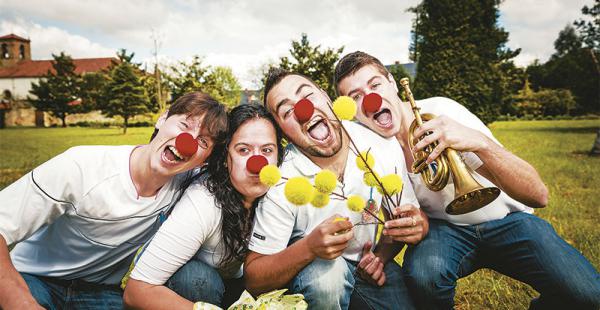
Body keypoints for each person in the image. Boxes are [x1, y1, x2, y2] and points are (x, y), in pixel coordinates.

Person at [334, 51, 600, 309]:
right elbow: (405, 220)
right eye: (355, 96)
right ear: (350, 110)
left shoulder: (441, 111)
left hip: (509, 222)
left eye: (375, 84)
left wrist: (479, 142)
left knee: (589, 296)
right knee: (424, 275)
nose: (369, 99)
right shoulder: (374, 149)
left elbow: (539, 195)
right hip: (446, 230)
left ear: (392, 82)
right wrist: (381, 255)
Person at [0, 92, 227, 309]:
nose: (187, 141)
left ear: (204, 161)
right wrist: (23, 304)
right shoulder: (79, 166)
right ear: (162, 119)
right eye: (184, 125)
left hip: (102, 291)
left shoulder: (190, 185)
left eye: (204, 142)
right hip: (36, 278)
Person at [244, 68, 427, 310]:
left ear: (326, 97)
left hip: (368, 267)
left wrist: (385, 252)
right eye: (287, 111)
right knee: (327, 280)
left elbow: (409, 216)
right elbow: (254, 277)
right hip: (314, 274)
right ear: (281, 131)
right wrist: (308, 248)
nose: (303, 110)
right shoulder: (280, 182)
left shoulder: (380, 145)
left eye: (307, 96)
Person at [123, 103, 285, 309]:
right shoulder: (204, 200)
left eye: (267, 150)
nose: (258, 164)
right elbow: (136, 291)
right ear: (226, 157)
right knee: (196, 278)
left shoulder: (285, 192)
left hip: (247, 287)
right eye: (243, 150)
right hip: (199, 291)